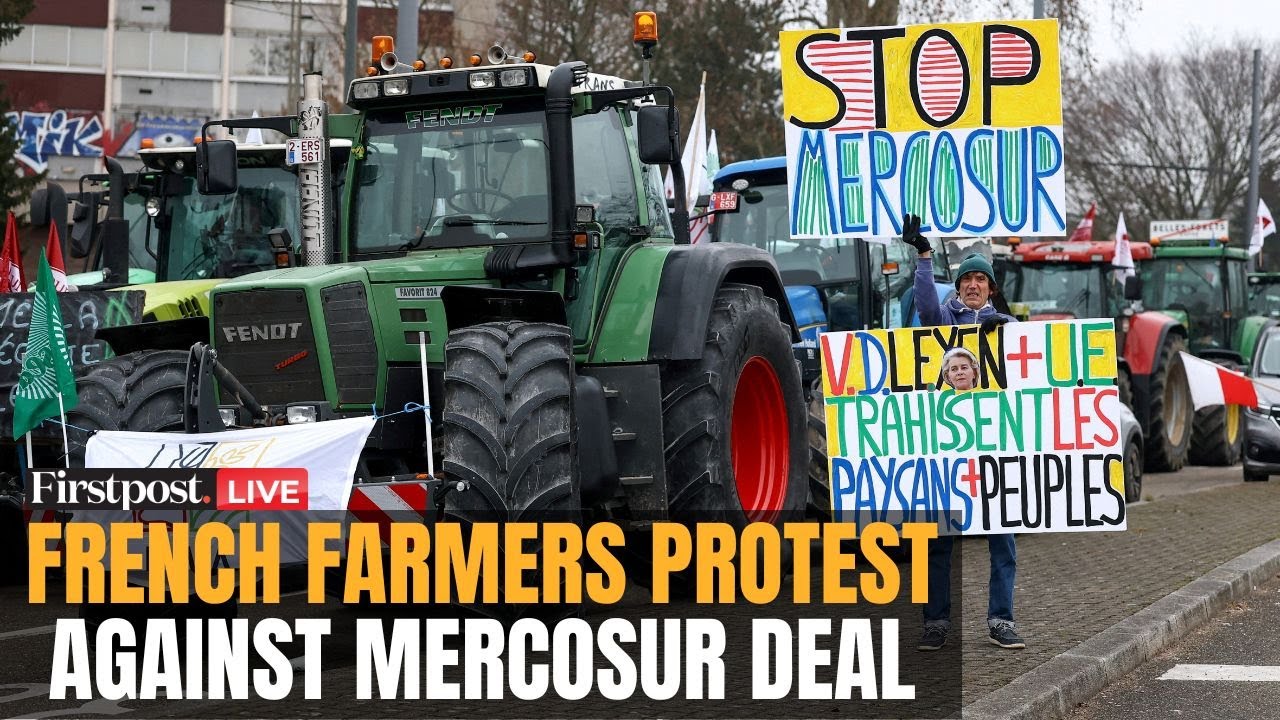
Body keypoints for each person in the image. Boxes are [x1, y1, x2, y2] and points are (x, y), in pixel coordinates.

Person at [899, 213, 1024, 652]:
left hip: (992, 452)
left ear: (991, 288)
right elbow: (925, 303)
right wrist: (923, 256)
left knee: (1003, 542)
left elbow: (1032, 366)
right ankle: (936, 622)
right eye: (967, 278)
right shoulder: (940, 317)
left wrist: (1003, 327)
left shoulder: (1006, 324)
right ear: (959, 286)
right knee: (939, 541)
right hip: (946, 454)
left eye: (981, 280)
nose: (973, 285)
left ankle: (1001, 620)